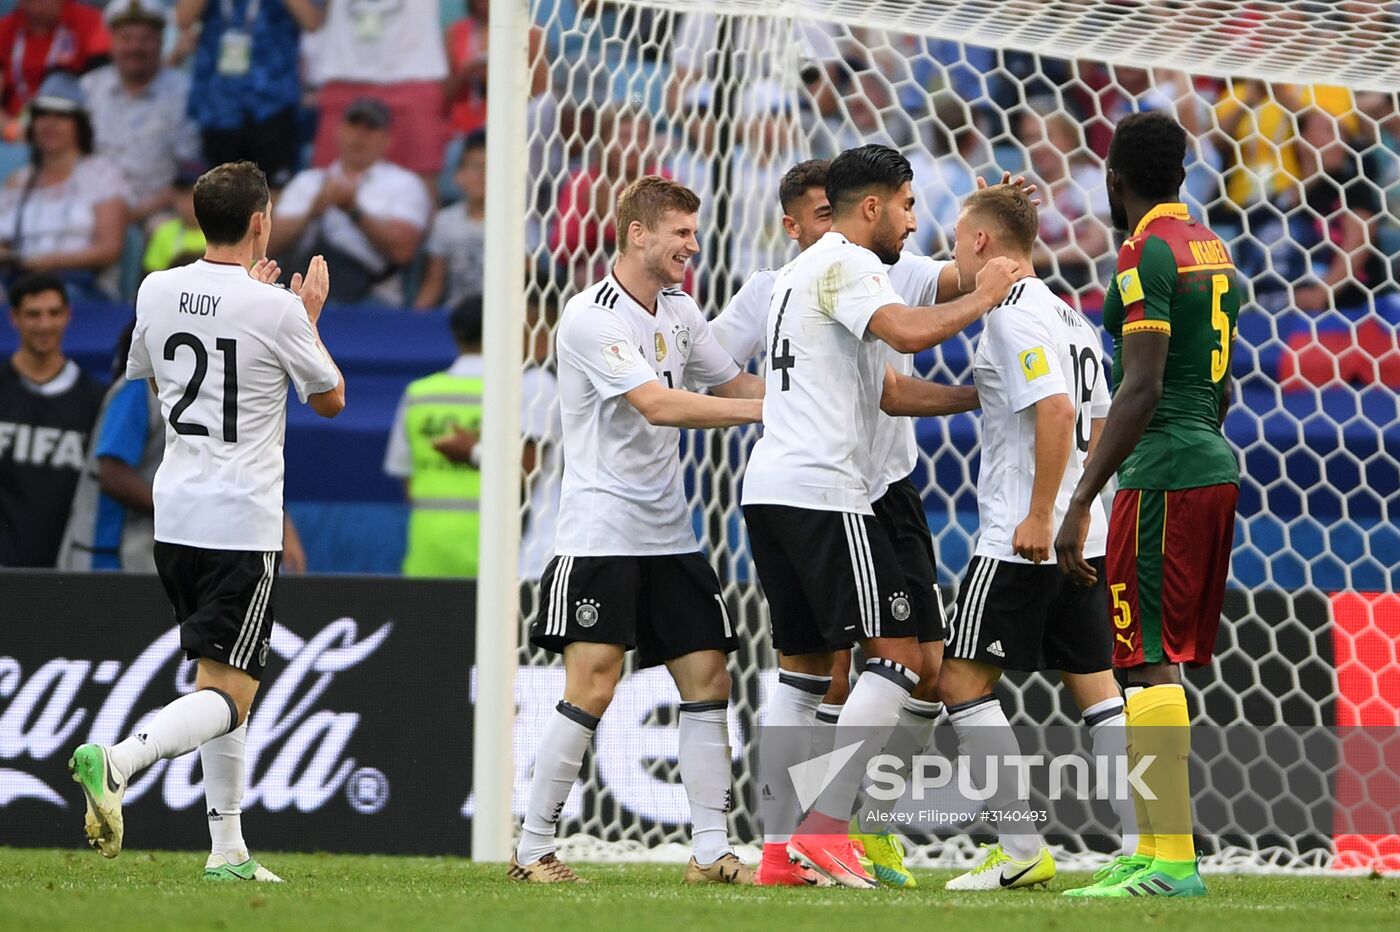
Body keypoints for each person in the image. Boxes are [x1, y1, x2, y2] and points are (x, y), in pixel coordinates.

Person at [708, 158, 1016, 887]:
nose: (915, 220)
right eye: (908, 206)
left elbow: (890, 387)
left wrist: (978, 396)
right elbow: (909, 333)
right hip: (826, 489)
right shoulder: (847, 265)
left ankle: (782, 852)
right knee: (901, 658)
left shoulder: (797, 275)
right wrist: (989, 293)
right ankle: (829, 829)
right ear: (871, 207)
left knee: (808, 671)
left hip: (771, 487)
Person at [68, 160, 345, 883]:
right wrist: (305, 320)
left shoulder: (156, 289)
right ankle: (120, 760)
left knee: (220, 676)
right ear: (261, 222)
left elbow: (153, 375)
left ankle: (228, 851)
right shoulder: (278, 307)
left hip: (175, 517)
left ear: (197, 219)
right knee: (231, 691)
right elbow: (331, 400)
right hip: (239, 522)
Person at [511, 176, 764, 885]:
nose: (693, 244)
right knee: (593, 684)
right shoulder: (592, 316)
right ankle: (532, 848)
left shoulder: (680, 310)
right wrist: (763, 416)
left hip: (670, 535)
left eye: (694, 230)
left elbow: (731, 382)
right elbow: (657, 404)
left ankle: (711, 850)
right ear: (637, 235)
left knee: (709, 676)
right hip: (601, 534)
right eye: (681, 232)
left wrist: (805, 400)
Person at [1055, 111, 1241, 898]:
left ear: (1115, 178)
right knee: (1146, 657)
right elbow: (1220, 382)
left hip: (1163, 471)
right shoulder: (1211, 246)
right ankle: (1157, 850)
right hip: (1206, 459)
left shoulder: (1143, 253)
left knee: (1147, 657)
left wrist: (1081, 499)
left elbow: (1142, 385)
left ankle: (1172, 861)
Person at [935, 183, 1132, 892]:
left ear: (983, 243)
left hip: (1022, 535)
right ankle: (1145, 843)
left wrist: (1043, 513)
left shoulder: (1012, 315)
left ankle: (1020, 846)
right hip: (1085, 532)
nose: (955, 252)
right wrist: (1086, 505)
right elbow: (1101, 416)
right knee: (1098, 687)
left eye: (960, 239)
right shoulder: (1068, 316)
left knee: (959, 679)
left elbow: (1055, 411)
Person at [57, 318, 309, 573]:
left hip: (168, 554)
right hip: (109, 558)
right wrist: (189, 510)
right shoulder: (139, 386)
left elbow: (234, 464)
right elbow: (112, 473)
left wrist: (280, 522)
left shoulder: (218, 390)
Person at [269, 98, 431, 305]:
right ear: (339, 131)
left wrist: (354, 210)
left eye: (371, 128)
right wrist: (312, 211)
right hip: (300, 290)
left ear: (388, 139)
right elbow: (270, 246)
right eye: (354, 125)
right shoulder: (308, 181)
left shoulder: (404, 184)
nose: (360, 135)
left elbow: (403, 251)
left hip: (370, 294)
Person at [0, 272, 103, 567]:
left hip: (63, 567)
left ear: (68, 316)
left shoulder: (95, 398)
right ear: (14, 317)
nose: (45, 324)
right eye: (33, 314)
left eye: (53, 313)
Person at [0, 72, 128, 302]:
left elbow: (110, 248)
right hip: (18, 284)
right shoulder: (18, 180)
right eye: (42, 115)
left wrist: (47, 262)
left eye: (61, 116)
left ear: (79, 125)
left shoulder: (103, 175)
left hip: (78, 287)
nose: (50, 123)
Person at [382, 299, 486, 577]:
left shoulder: (420, 394)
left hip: (429, 550)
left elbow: (406, 477)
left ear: (455, 335)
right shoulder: (517, 392)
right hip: (496, 551)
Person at [176, 0, 323, 191]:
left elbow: (312, 21)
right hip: (219, 107)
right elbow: (183, 18)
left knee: (274, 194)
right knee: (221, 198)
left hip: (273, 104)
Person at [81, 0, 201, 226]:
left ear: (161, 41)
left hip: (158, 212)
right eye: (126, 38)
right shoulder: (88, 88)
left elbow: (189, 174)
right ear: (112, 42)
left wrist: (133, 214)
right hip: (91, 210)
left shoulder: (185, 94)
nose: (135, 48)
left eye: (145, 39)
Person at [308, 0, 450, 182]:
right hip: (344, 76)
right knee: (327, 181)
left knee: (422, 185)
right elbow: (312, 21)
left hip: (413, 76)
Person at [0, 0, 110, 131]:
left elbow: (103, 85)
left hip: (73, 129)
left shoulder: (92, 23)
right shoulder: (5, 28)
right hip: (12, 131)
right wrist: (10, 129)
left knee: (60, 80)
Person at [414, 130, 485, 310]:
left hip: (503, 318)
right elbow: (434, 281)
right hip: (457, 315)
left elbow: (526, 277)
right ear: (459, 175)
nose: (483, 176)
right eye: (476, 167)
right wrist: (414, 321)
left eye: (490, 168)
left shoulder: (518, 222)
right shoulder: (445, 221)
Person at [142, 161, 207, 274]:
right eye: (182, 194)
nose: (188, 202)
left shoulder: (229, 235)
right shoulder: (164, 233)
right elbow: (153, 278)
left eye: (194, 193)